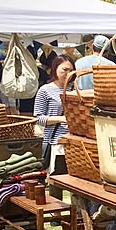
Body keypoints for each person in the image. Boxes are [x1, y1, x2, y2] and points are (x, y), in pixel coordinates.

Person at [34, 55, 73, 183]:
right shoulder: (45, 90)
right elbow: (38, 118)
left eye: (70, 70)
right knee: (56, 180)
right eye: (64, 70)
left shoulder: (76, 89)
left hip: (74, 143)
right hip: (56, 142)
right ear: (55, 69)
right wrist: (61, 119)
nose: (67, 73)